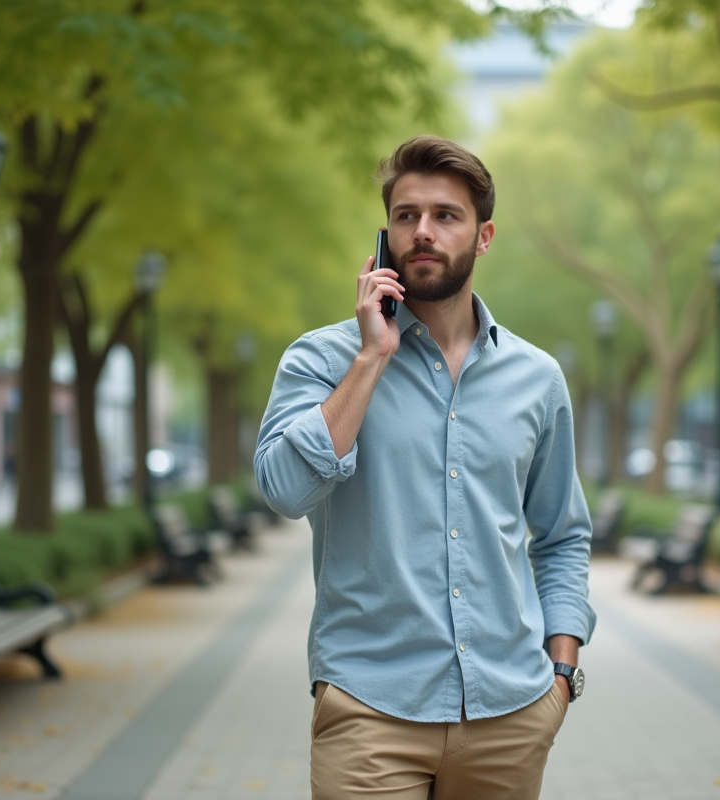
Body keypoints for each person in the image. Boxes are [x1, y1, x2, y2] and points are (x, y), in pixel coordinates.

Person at [254, 134, 595, 800]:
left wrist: (561, 674)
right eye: (407, 216)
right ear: (386, 235)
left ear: (484, 234)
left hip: (511, 711)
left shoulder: (537, 378)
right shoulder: (322, 361)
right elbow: (284, 491)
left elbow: (561, 535)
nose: (424, 232)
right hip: (370, 710)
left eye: (446, 216)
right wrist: (370, 359)